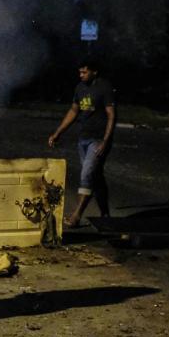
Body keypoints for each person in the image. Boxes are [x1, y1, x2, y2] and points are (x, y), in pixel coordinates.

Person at [48, 57, 116, 228]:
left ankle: (76, 216)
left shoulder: (104, 87)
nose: (81, 75)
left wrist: (105, 141)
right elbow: (73, 111)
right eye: (79, 72)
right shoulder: (79, 88)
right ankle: (106, 215)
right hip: (83, 139)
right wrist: (58, 133)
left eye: (85, 72)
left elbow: (111, 115)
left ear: (94, 72)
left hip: (98, 140)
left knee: (86, 175)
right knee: (96, 177)